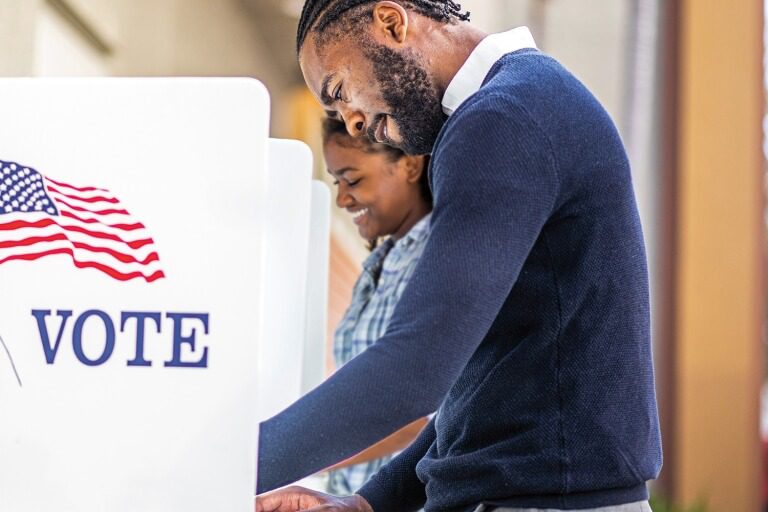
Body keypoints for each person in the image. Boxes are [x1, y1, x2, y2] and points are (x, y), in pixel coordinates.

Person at [255, 1, 661, 511]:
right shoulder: (523, 102)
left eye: (338, 91)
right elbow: (483, 387)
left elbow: (415, 367)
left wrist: (229, 461)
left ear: (391, 22)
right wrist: (366, 504)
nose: (353, 125)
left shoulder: (503, 118)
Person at [319, 117, 432, 496]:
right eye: (337, 182)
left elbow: (426, 416)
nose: (341, 199)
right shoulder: (382, 261)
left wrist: (306, 453)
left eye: (352, 180)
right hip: (354, 494)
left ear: (410, 165)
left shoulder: (436, 262)